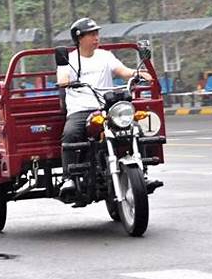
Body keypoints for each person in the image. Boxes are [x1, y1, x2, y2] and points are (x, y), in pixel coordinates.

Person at [56, 17, 152, 195]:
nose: (96, 38)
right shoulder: (68, 60)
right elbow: (62, 79)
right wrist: (66, 81)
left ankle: (143, 172)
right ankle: (68, 178)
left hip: (105, 108)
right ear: (79, 38)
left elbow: (123, 72)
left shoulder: (105, 56)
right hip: (80, 110)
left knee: (135, 128)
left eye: (97, 33)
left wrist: (138, 73)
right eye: (91, 34)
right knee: (70, 134)